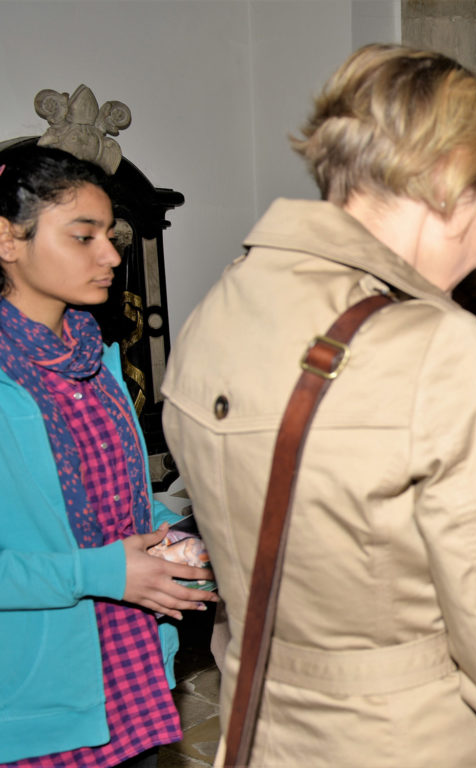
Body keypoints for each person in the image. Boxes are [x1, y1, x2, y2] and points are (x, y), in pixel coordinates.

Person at [160, 44, 476, 768]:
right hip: (410, 741)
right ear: (450, 179)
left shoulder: (219, 309)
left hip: (265, 725)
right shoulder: (437, 347)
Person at [0, 145, 216, 766]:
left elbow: (115, 505)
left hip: (129, 661)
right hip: (37, 686)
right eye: (83, 236)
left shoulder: (98, 360)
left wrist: (175, 539)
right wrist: (100, 573)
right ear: (9, 241)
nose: (112, 256)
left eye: (112, 236)